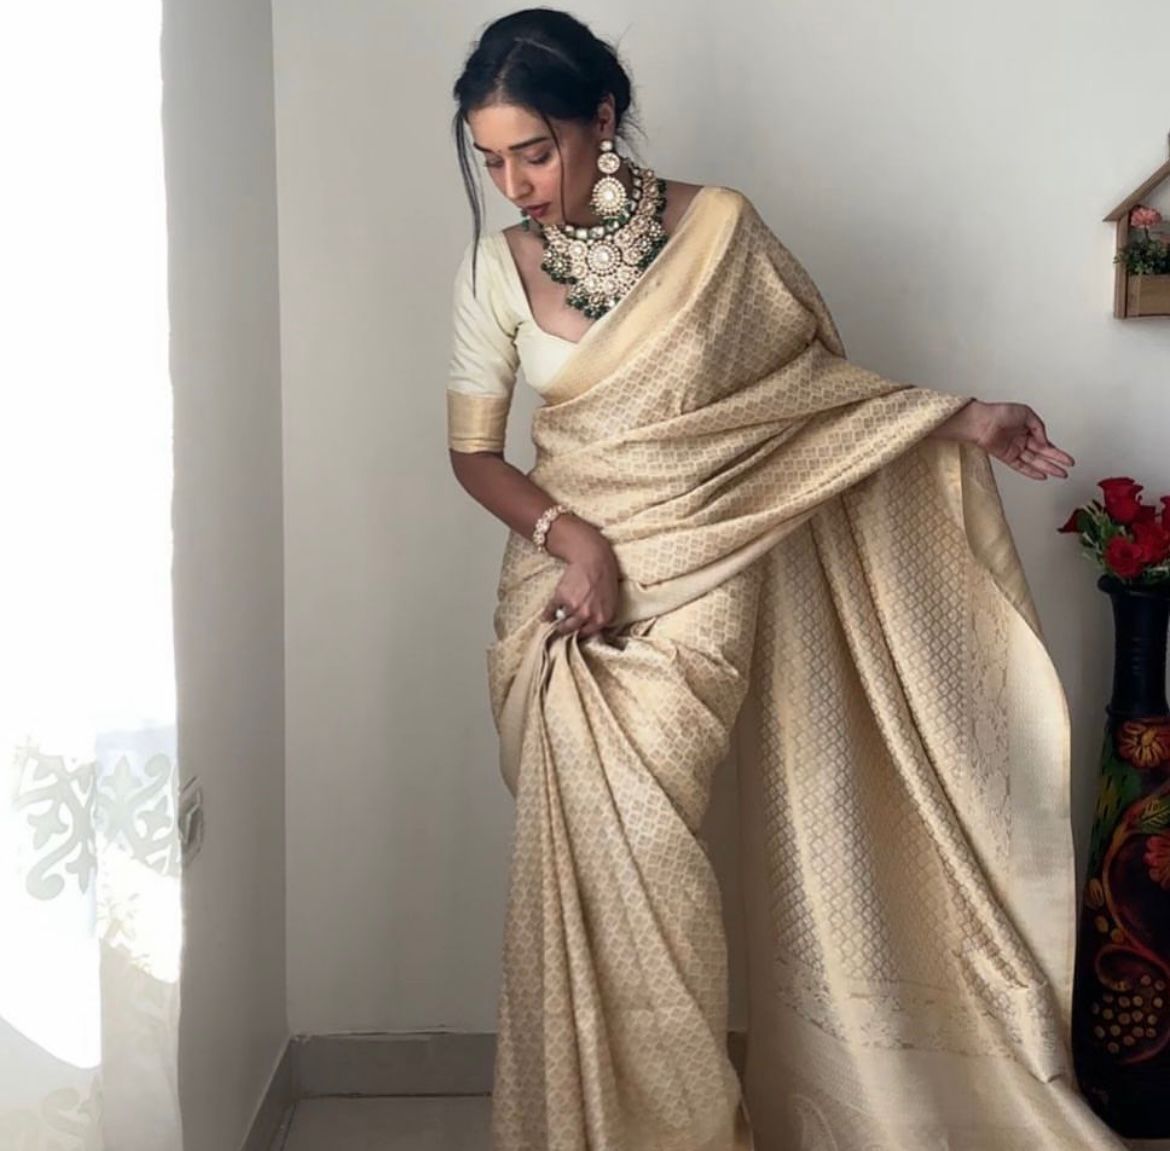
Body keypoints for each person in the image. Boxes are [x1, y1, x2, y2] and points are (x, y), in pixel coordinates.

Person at [445, 10, 1115, 1150]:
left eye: (535, 153)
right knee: (600, 877)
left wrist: (962, 418)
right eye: (491, 160)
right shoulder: (493, 268)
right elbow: (474, 456)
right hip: (566, 599)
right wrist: (577, 540)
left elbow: (798, 399)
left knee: (656, 867)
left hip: (710, 564)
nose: (516, 186)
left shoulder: (719, 234)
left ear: (601, 119)